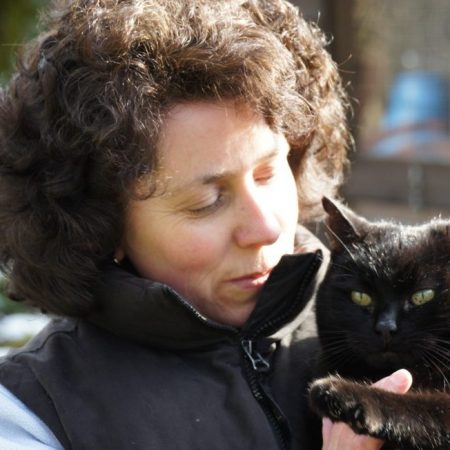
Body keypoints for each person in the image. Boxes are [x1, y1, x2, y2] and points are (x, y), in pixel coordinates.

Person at [0, 0, 411, 449]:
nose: (265, 226)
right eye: (206, 201)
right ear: (102, 226)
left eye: (268, 172)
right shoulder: (31, 413)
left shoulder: (407, 319)